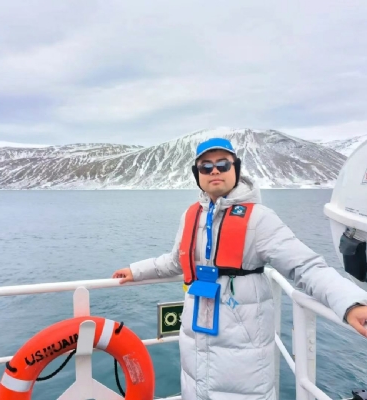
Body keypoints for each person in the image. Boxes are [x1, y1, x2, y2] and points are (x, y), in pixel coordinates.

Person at [112, 137, 367, 400]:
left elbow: (306, 266)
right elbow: (176, 261)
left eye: (222, 164)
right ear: (197, 174)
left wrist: (350, 303)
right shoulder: (191, 216)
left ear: (236, 169)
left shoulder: (260, 219)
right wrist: (136, 270)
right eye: (205, 166)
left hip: (244, 354)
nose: (214, 171)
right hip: (195, 343)